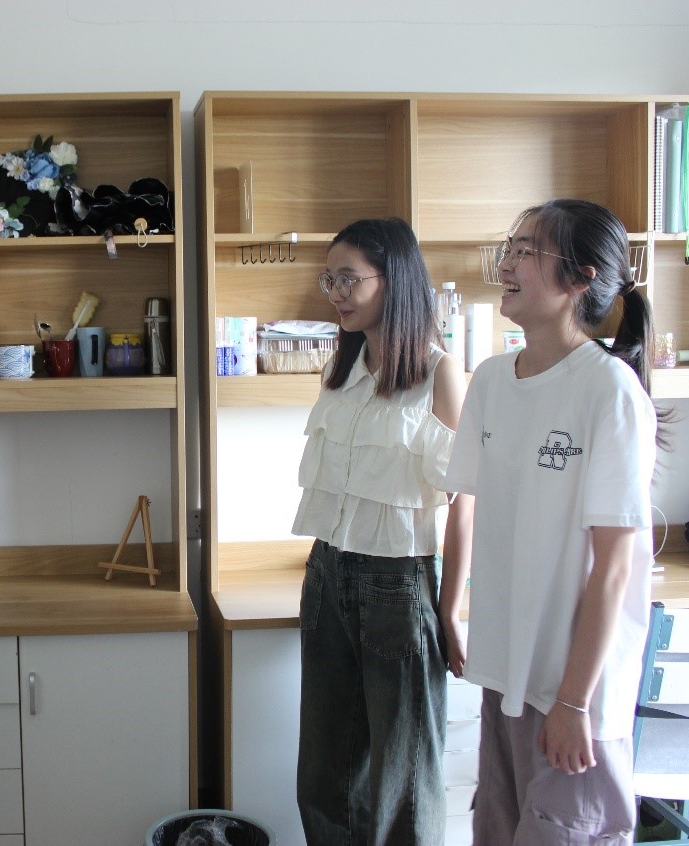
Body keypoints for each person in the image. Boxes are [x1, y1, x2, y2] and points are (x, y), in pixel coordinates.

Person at [443, 199, 661, 845]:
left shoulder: (608, 390)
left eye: (527, 251)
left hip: (572, 691)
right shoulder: (490, 379)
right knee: (497, 830)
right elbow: (470, 507)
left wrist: (573, 702)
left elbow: (614, 568)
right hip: (505, 672)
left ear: (579, 279)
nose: (506, 264)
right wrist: (450, 612)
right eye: (509, 248)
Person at [293, 217, 473, 846]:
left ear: (392, 281)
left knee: (403, 782)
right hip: (326, 576)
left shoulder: (440, 372)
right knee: (324, 776)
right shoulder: (339, 371)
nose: (336, 294)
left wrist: (450, 608)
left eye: (349, 279)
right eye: (330, 280)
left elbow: (465, 500)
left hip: (398, 586)